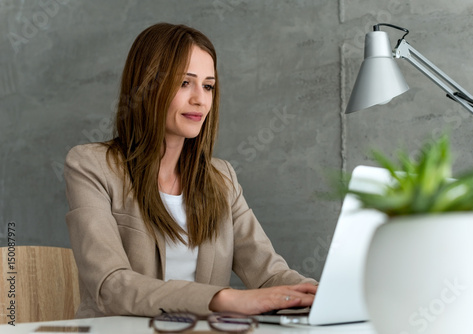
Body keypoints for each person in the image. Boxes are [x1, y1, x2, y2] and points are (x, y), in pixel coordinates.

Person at [64, 22, 317, 319]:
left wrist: (322, 295)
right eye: (185, 83)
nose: (200, 99)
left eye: (208, 86)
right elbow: (112, 285)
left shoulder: (222, 179)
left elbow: (269, 274)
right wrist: (225, 299)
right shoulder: (91, 165)